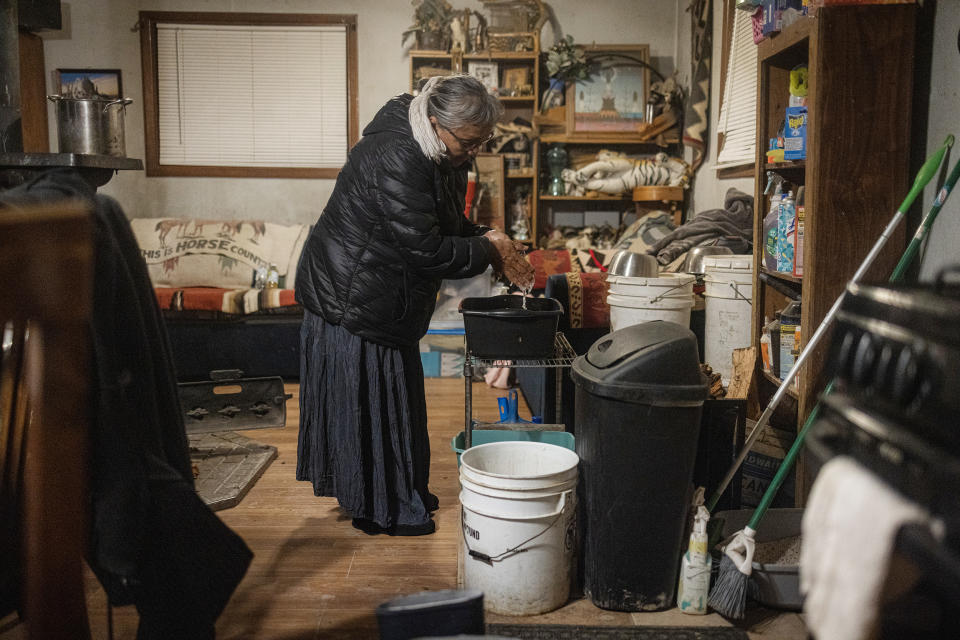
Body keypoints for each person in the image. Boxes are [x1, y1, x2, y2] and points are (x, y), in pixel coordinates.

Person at [294, 74, 534, 536]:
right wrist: (489, 250)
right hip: (351, 292)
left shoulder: (441, 151)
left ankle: (399, 491)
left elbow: (445, 223)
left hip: (381, 290)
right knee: (368, 401)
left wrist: (491, 238)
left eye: (482, 142)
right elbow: (423, 248)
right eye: (468, 142)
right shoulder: (399, 154)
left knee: (395, 397)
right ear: (433, 120)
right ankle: (377, 507)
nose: (474, 152)